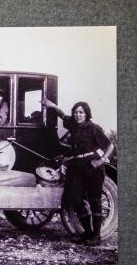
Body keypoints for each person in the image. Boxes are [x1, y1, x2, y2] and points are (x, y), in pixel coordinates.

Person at [41, 98, 114, 245]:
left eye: (81, 112)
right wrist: (52, 106)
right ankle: (87, 232)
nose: (78, 115)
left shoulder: (94, 128)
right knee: (75, 199)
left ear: (87, 114)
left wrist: (100, 161)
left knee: (95, 200)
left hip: (92, 166)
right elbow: (62, 115)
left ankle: (96, 236)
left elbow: (110, 146)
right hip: (76, 165)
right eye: (75, 112)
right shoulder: (73, 125)